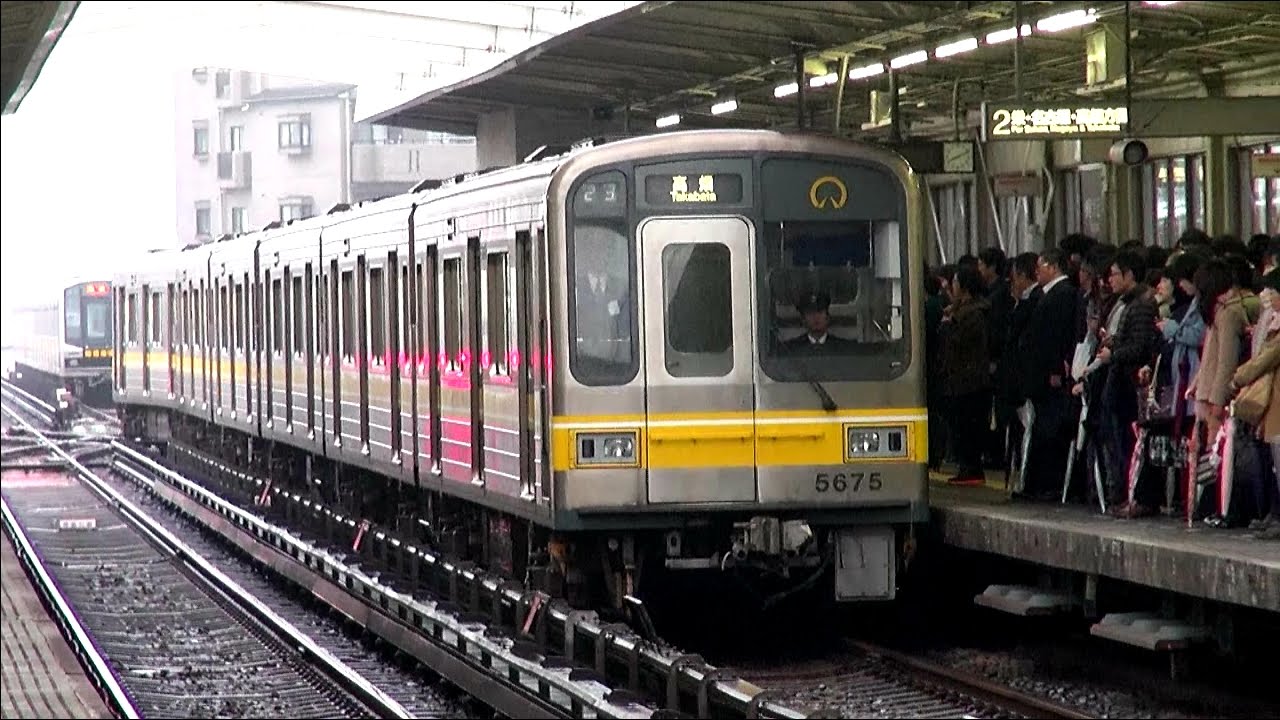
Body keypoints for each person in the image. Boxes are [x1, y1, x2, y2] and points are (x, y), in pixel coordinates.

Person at [784, 292, 851, 352]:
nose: (816, 317)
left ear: (827, 317)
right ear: (803, 319)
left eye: (820, 312)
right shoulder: (791, 349)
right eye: (810, 313)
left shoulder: (843, 348)